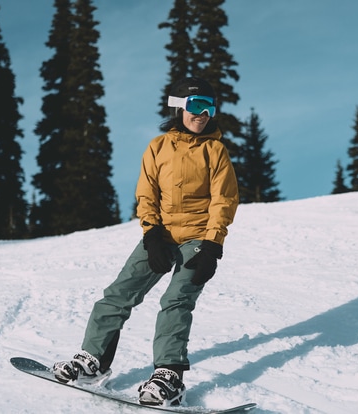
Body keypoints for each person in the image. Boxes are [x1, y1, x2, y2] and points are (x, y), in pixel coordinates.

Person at [52, 77, 239, 407]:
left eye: (210, 107)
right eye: (197, 106)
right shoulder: (158, 147)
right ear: (178, 106)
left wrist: (212, 245)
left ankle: (168, 375)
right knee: (117, 295)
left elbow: (223, 201)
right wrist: (151, 234)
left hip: (197, 238)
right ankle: (91, 361)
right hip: (162, 236)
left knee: (176, 300)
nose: (204, 114)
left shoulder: (215, 151)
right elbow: (147, 193)